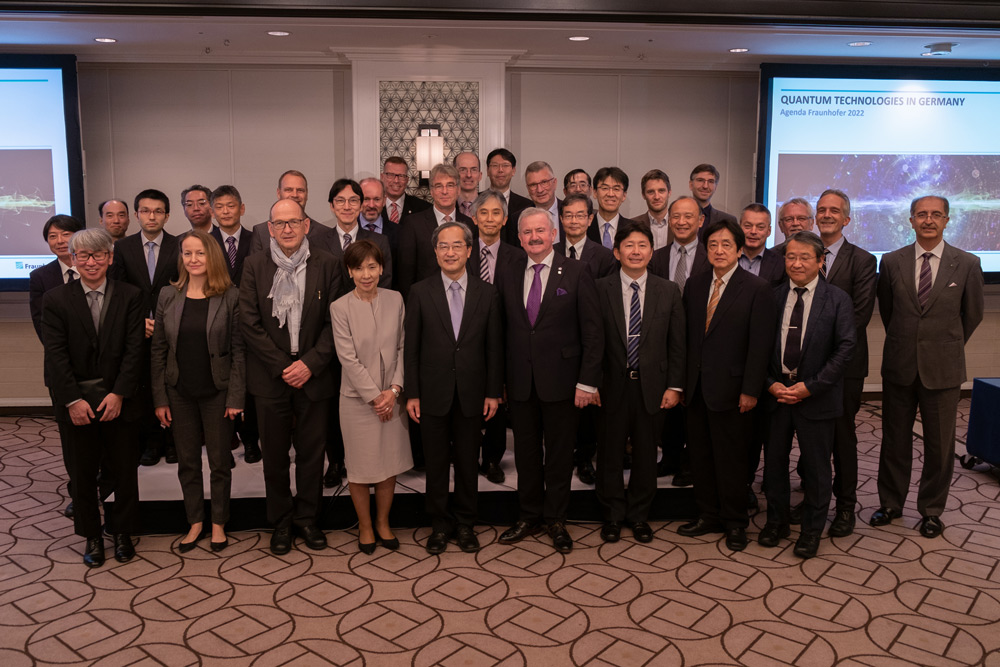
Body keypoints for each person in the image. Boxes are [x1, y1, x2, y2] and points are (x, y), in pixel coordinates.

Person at [873, 195, 984, 539]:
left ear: (947, 220)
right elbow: (889, 313)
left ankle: (931, 510)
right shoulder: (891, 262)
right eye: (921, 214)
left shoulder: (966, 263)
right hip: (900, 365)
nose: (929, 220)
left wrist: (944, 346)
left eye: (936, 214)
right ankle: (891, 503)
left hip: (944, 369)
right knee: (894, 440)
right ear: (911, 220)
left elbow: (973, 314)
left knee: (940, 446)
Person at [495, 208, 602, 553]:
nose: (534, 237)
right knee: (525, 454)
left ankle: (556, 519)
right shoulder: (508, 271)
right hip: (522, 383)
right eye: (527, 232)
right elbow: (501, 332)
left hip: (563, 383)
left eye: (540, 230)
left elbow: (592, 332)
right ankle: (529, 515)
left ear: (553, 233)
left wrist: (587, 382)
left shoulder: (576, 271)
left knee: (558, 455)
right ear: (519, 237)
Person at [240, 198, 341, 555]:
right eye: (280, 223)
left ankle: (307, 520)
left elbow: (336, 323)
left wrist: (310, 364)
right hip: (271, 376)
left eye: (293, 222)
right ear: (269, 228)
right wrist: (283, 365)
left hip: (315, 374)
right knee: (276, 457)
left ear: (306, 225)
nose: (287, 229)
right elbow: (249, 324)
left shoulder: (329, 265)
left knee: (313, 455)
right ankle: (281, 522)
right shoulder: (254, 265)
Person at [42, 228, 144, 567]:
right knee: (82, 474)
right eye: (83, 255)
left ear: (110, 258)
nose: (91, 261)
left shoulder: (131, 295)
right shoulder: (55, 299)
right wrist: (72, 400)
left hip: (119, 400)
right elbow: (55, 355)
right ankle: (92, 536)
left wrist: (119, 394)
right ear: (73, 259)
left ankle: (124, 532)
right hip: (77, 404)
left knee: (124, 471)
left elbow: (135, 351)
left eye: (98, 254)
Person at [405, 221, 503, 554]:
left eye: (457, 246)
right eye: (443, 246)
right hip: (431, 393)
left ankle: (465, 523)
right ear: (435, 252)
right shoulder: (419, 292)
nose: (450, 252)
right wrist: (412, 393)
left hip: (473, 393)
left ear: (469, 251)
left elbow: (494, 348)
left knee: (466, 461)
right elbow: (412, 348)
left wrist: (493, 392)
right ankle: (439, 524)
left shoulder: (488, 293)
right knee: (434, 464)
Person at [679, 218, 775, 552]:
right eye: (713, 245)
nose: (719, 251)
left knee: (731, 460)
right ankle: (708, 515)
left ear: (739, 249)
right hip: (696, 390)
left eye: (726, 245)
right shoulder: (694, 284)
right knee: (701, 458)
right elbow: (688, 340)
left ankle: (735, 522)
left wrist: (751, 389)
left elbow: (760, 346)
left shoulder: (757, 288)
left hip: (735, 392)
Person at [760, 231, 855, 559]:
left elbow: (845, 349)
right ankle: (777, 521)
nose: (796, 263)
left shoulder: (838, 299)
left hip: (816, 396)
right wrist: (770, 383)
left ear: (820, 261)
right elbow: (756, 347)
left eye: (804, 258)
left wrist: (811, 386)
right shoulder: (770, 296)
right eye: (790, 257)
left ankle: (812, 530)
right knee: (773, 465)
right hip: (776, 394)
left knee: (816, 468)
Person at [151, 230, 245, 554]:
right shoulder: (167, 295)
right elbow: (158, 351)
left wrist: (235, 397)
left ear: (212, 257)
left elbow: (238, 352)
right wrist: (160, 398)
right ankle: (195, 522)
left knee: (220, 461)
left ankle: (218, 522)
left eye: (200, 253)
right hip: (179, 392)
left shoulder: (230, 295)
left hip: (217, 392)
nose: (193, 260)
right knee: (187, 462)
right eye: (187, 254)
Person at [594, 221, 685, 543]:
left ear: (651, 252)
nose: (635, 251)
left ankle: (639, 515)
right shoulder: (599, 288)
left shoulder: (668, 290)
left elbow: (677, 344)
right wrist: (590, 384)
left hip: (653, 387)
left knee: (647, 455)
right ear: (617, 252)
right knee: (609, 454)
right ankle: (613, 515)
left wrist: (675, 386)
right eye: (629, 246)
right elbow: (592, 342)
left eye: (642, 245)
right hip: (610, 388)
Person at [331, 240, 411, 553]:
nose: (367, 274)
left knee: (387, 464)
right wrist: (375, 398)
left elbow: (405, 347)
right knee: (361, 467)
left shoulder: (396, 299)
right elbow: (347, 358)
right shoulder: (340, 307)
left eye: (372, 267)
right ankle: (364, 526)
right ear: (350, 271)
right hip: (356, 402)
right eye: (360, 268)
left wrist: (393, 391)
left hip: (394, 394)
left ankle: (382, 522)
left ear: (381, 268)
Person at [813, 189, 876, 537]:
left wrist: (819, 349)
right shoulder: (804, 252)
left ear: (846, 219)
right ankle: (814, 499)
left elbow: (859, 316)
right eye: (821, 209)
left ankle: (845, 507)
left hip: (845, 367)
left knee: (842, 437)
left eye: (834, 210)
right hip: (806, 367)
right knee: (810, 436)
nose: (826, 215)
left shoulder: (863, 261)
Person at [109, 188, 179, 467]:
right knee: (145, 388)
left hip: (173, 329)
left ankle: (173, 441)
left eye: (158, 211)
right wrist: (139, 322)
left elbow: (184, 287)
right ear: (136, 215)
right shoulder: (122, 248)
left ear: (167, 215)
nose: (152, 216)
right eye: (146, 211)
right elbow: (117, 292)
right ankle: (151, 442)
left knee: (173, 385)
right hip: (138, 330)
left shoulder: (180, 245)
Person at [648, 196, 710, 484]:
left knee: (693, 407)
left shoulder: (711, 256)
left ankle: (689, 462)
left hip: (699, 343)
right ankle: (670, 457)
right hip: (663, 343)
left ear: (701, 221)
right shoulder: (656, 257)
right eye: (676, 217)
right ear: (669, 221)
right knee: (668, 404)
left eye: (689, 217)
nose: (682, 222)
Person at [555, 193, 616, 485]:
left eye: (580, 215)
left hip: (591, 343)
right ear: (561, 218)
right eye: (568, 215)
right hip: (556, 346)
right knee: (560, 408)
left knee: (589, 409)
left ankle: (584, 459)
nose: (574, 220)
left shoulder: (604, 256)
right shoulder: (550, 251)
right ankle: (560, 456)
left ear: (590, 219)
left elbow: (605, 305)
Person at [466, 190, 525, 484]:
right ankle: (467, 454)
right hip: (467, 340)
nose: (490, 218)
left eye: (496, 213)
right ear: (474, 218)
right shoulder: (461, 252)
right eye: (484, 213)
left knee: (498, 401)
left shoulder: (518, 256)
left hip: (505, 340)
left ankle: (492, 458)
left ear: (504, 220)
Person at [29, 214, 85, 518]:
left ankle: (104, 485)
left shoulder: (98, 267)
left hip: (99, 372)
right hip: (62, 371)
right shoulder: (41, 278)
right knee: (71, 437)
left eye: (66, 234)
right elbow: (43, 329)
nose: (60, 241)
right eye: (53, 236)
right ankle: (79, 491)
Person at [209, 185, 261, 465]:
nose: (226, 211)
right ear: (212, 212)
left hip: (250, 320)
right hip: (215, 323)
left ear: (241, 208)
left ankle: (251, 440)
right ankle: (224, 445)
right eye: (220, 207)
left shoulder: (257, 238)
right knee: (220, 382)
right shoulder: (204, 243)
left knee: (249, 384)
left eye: (231, 206)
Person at [397, 163, 473, 299]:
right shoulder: (413, 224)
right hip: (425, 301)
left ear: (458, 190)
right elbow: (405, 274)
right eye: (439, 186)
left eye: (450, 185)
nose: (444, 191)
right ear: (431, 191)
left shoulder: (470, 224)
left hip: (463, 299)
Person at [327, 178, 394, 295]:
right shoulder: (318, 241)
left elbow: (384, 285)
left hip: (369, 309)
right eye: (340, 201)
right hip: (330, 311)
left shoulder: (379, 241)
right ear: (332, 206)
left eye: (353, 200)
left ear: (361, 205)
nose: (347, 207)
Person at [249, 170, 332, 253]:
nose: (295, 195)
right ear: (278, 193)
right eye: (288, 190)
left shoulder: (324, 233)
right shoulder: (261, 232)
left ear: (307, 194)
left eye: (300, 190)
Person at [486, 148, 531, 245]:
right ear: (487, 171)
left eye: (505, 165)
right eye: (495, 166)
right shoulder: (476, 201)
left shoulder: (527, 205)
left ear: (513, 171)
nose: (500, 170)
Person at [738, 203, 786, 287]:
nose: (753, 231)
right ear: (739, 228)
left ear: (769, 231)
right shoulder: (726, 258)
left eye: (760, 227)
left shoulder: (781, 264)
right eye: (748, 226)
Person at [689, 164, 737, 245]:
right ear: (691, 185)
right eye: (700, 180)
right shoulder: (675, 217)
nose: (705, 186)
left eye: (711, 181)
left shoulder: (728, 220)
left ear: (716, 187)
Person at [381, 156, 431, 224]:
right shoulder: (373, 206)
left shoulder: (423, 208)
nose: (396, 181)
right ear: (382, 177)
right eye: (390, 175)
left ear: (407, 180)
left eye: (401, 176)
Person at [588, 167, 629, 250]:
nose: (610, 194)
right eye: (605, 188)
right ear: (595, 193)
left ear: (624, 195)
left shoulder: (633, 229)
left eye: (616, 189)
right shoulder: (584, 228)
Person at [634, 169, 674, 250]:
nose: (657, 197)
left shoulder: (680, 224)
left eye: (661, 191)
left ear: (669, 193)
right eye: (651, 192)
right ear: (643, 195)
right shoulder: (633, 225)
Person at [523, 161, 562, 242]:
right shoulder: (518, 218)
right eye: (533, 185)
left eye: (544, 182)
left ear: (554, 183)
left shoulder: (570, 213)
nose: (539, 190)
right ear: (527, 189)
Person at [454, 152, 482, 218]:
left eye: (473, 170)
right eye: (463, 170)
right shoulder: (446, 206)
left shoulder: (489, 206)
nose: (468, 175)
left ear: (480, 176)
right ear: (454, 175)